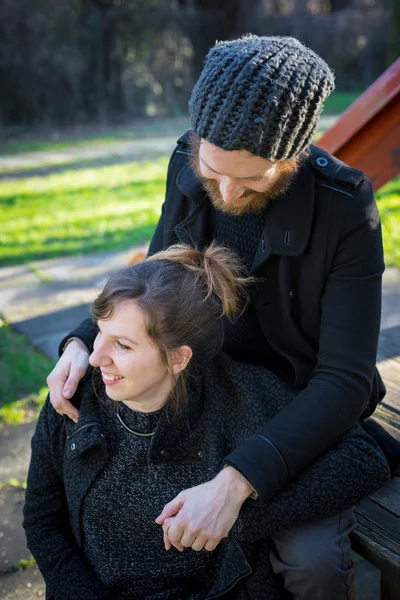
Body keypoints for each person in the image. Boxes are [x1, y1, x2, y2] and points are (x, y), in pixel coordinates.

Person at [45, 36, 395, 599]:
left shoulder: (344, 205)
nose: (227, 192)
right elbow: (152, 280)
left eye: (253, 178)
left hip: (299, 408)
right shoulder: (187, 161)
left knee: (313, 563)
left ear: (294, 155)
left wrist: (237, 483)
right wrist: (83, 341)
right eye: (214, 170)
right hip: (204, 392)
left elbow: (346, 379)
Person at [24, 244, 390, 600]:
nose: (97, 356)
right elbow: (43, 521)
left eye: (123, 345)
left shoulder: (241, 396)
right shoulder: (74, 395)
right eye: (100, 332)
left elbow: (363, 459)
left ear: (178, 359)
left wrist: (240, 517)